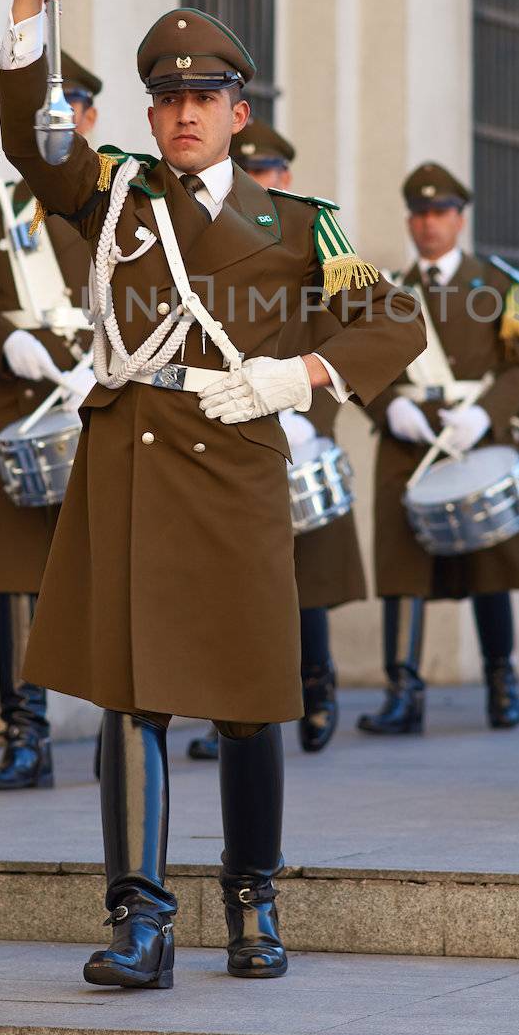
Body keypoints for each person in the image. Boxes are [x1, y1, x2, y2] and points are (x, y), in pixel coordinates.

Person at [0, 0, 425, 990]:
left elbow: (393, 321)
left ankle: (251, 897)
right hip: (131, 460)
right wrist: (27, 15)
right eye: (167, 98)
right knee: (128, 695)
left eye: (202, 98)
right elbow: (33, 146)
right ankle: (140, 918)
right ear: (152, 112)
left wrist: (300, 375)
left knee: (243, 697)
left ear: (239, 113)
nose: (183, 114)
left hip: (233, 463)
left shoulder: (298, 225)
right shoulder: (116, 193)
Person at [187, 122, 368, 761]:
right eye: (250, 169)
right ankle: (228, 712)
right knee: (227, 581)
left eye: (270, 172)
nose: (260, 181)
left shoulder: (310, 239)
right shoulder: (201, 238)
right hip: (224, 421)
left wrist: (308, 412)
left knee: (304, 580)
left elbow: (357, 329)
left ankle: (316, 683)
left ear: (285, 179)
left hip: (296, 419)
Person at [357, 163, 519, 737]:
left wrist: (486, 415)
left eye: (440, 213)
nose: (429, 224)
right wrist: (385, 404)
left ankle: (502, 682)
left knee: (490, 562)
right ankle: (404, 692)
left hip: (475, 437)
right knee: (404, 570)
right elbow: (360, 364)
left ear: (459, 219)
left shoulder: (502, 286)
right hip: (408, 438)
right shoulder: (384, 292)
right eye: (419, 214)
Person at [0, 50, 100, 790]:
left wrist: (102, 367)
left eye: (67, 106)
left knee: (110, 568)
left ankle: (124, 729)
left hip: (99, 401)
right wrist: (10, 343)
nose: (54, 121)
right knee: (14, 577)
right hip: (14, 402)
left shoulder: (118, 209)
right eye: (42, 109)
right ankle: (26, 735)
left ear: (89, 118)